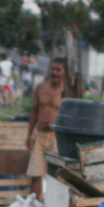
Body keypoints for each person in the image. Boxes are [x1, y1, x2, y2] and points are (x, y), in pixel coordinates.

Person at [26, 59, 67, 198]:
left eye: (58, 70)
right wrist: (29, 135)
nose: (54, 73)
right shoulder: (41, 88)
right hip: (41, 135)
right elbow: (34, 111)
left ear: (65, 73)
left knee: (57, 176)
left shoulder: (66, 92)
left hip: (56, 138)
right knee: (35, 174)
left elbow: (71, 117)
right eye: (53, 69)